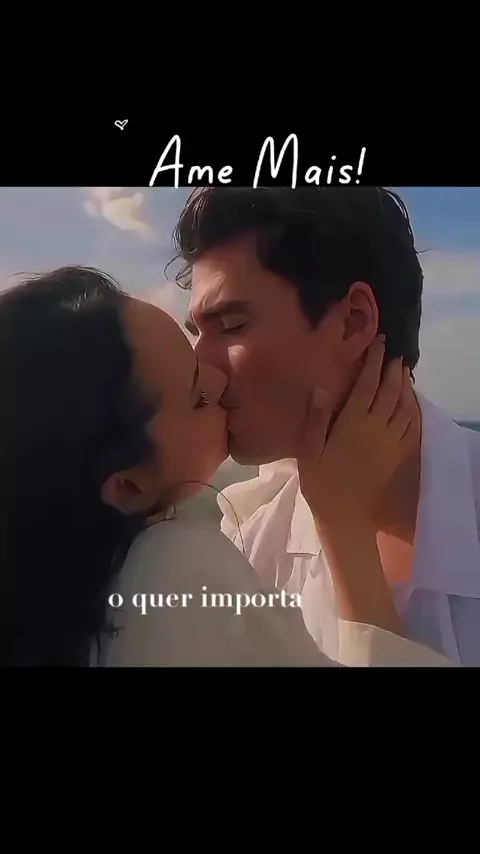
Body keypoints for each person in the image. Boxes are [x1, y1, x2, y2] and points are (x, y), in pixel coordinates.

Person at [0, 266, 453, 666]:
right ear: (127, 486)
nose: (216, 375)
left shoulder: (68, 596)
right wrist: (344, 527)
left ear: (354, 321)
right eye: (198, 396)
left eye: (233, 326)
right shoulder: (177, 573)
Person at [174, 186, 480, 666]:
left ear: (353, 320)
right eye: (196, 334)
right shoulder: (250, 544)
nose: (202, 370)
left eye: (231, 327)